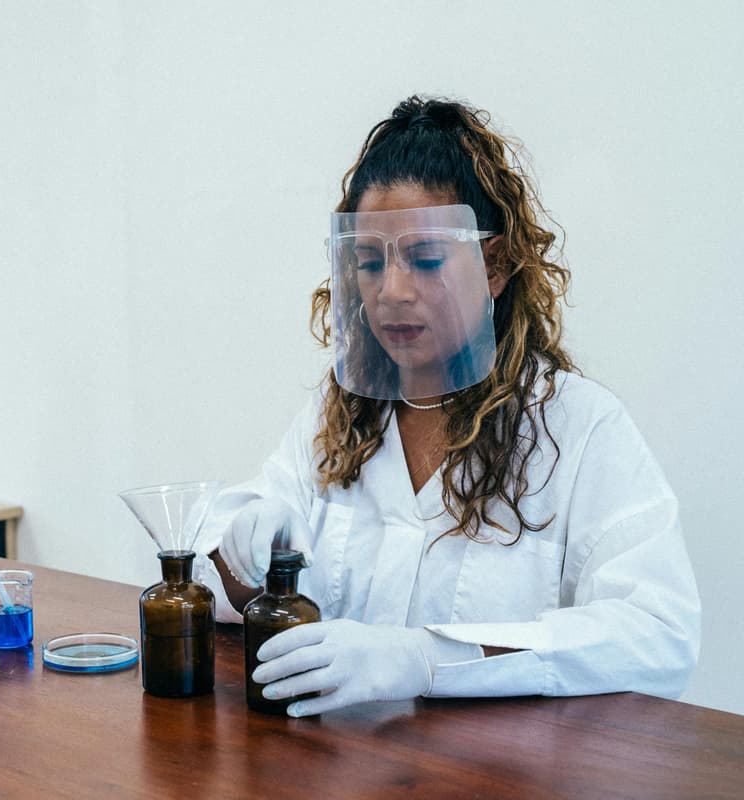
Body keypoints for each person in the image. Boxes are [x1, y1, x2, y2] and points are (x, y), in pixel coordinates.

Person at [193, 96, 701, 718]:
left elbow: (656, 636)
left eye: (426, 259)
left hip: (499, 777)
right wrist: (242, 543)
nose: (392, 292)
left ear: (495, 264)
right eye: (369, 263)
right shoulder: (344, 414)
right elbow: (229, 579)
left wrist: (425, 657)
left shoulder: (578, 426)